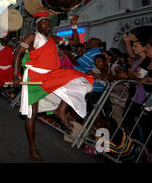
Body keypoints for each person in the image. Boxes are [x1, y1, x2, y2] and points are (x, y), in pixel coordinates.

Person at [13, 13, 94, 162]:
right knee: (32, 113)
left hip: (51, 75)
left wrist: (74, 25)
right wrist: (15, 76)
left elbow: (76, 42)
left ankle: (60, 110)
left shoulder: (54, 39)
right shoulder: (32, 37)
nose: (47, 25)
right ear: (37, 25)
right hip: (35, 76)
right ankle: (32, 147)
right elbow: (18, 54)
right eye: (43, 23)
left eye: (48, 22)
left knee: (78, 80)